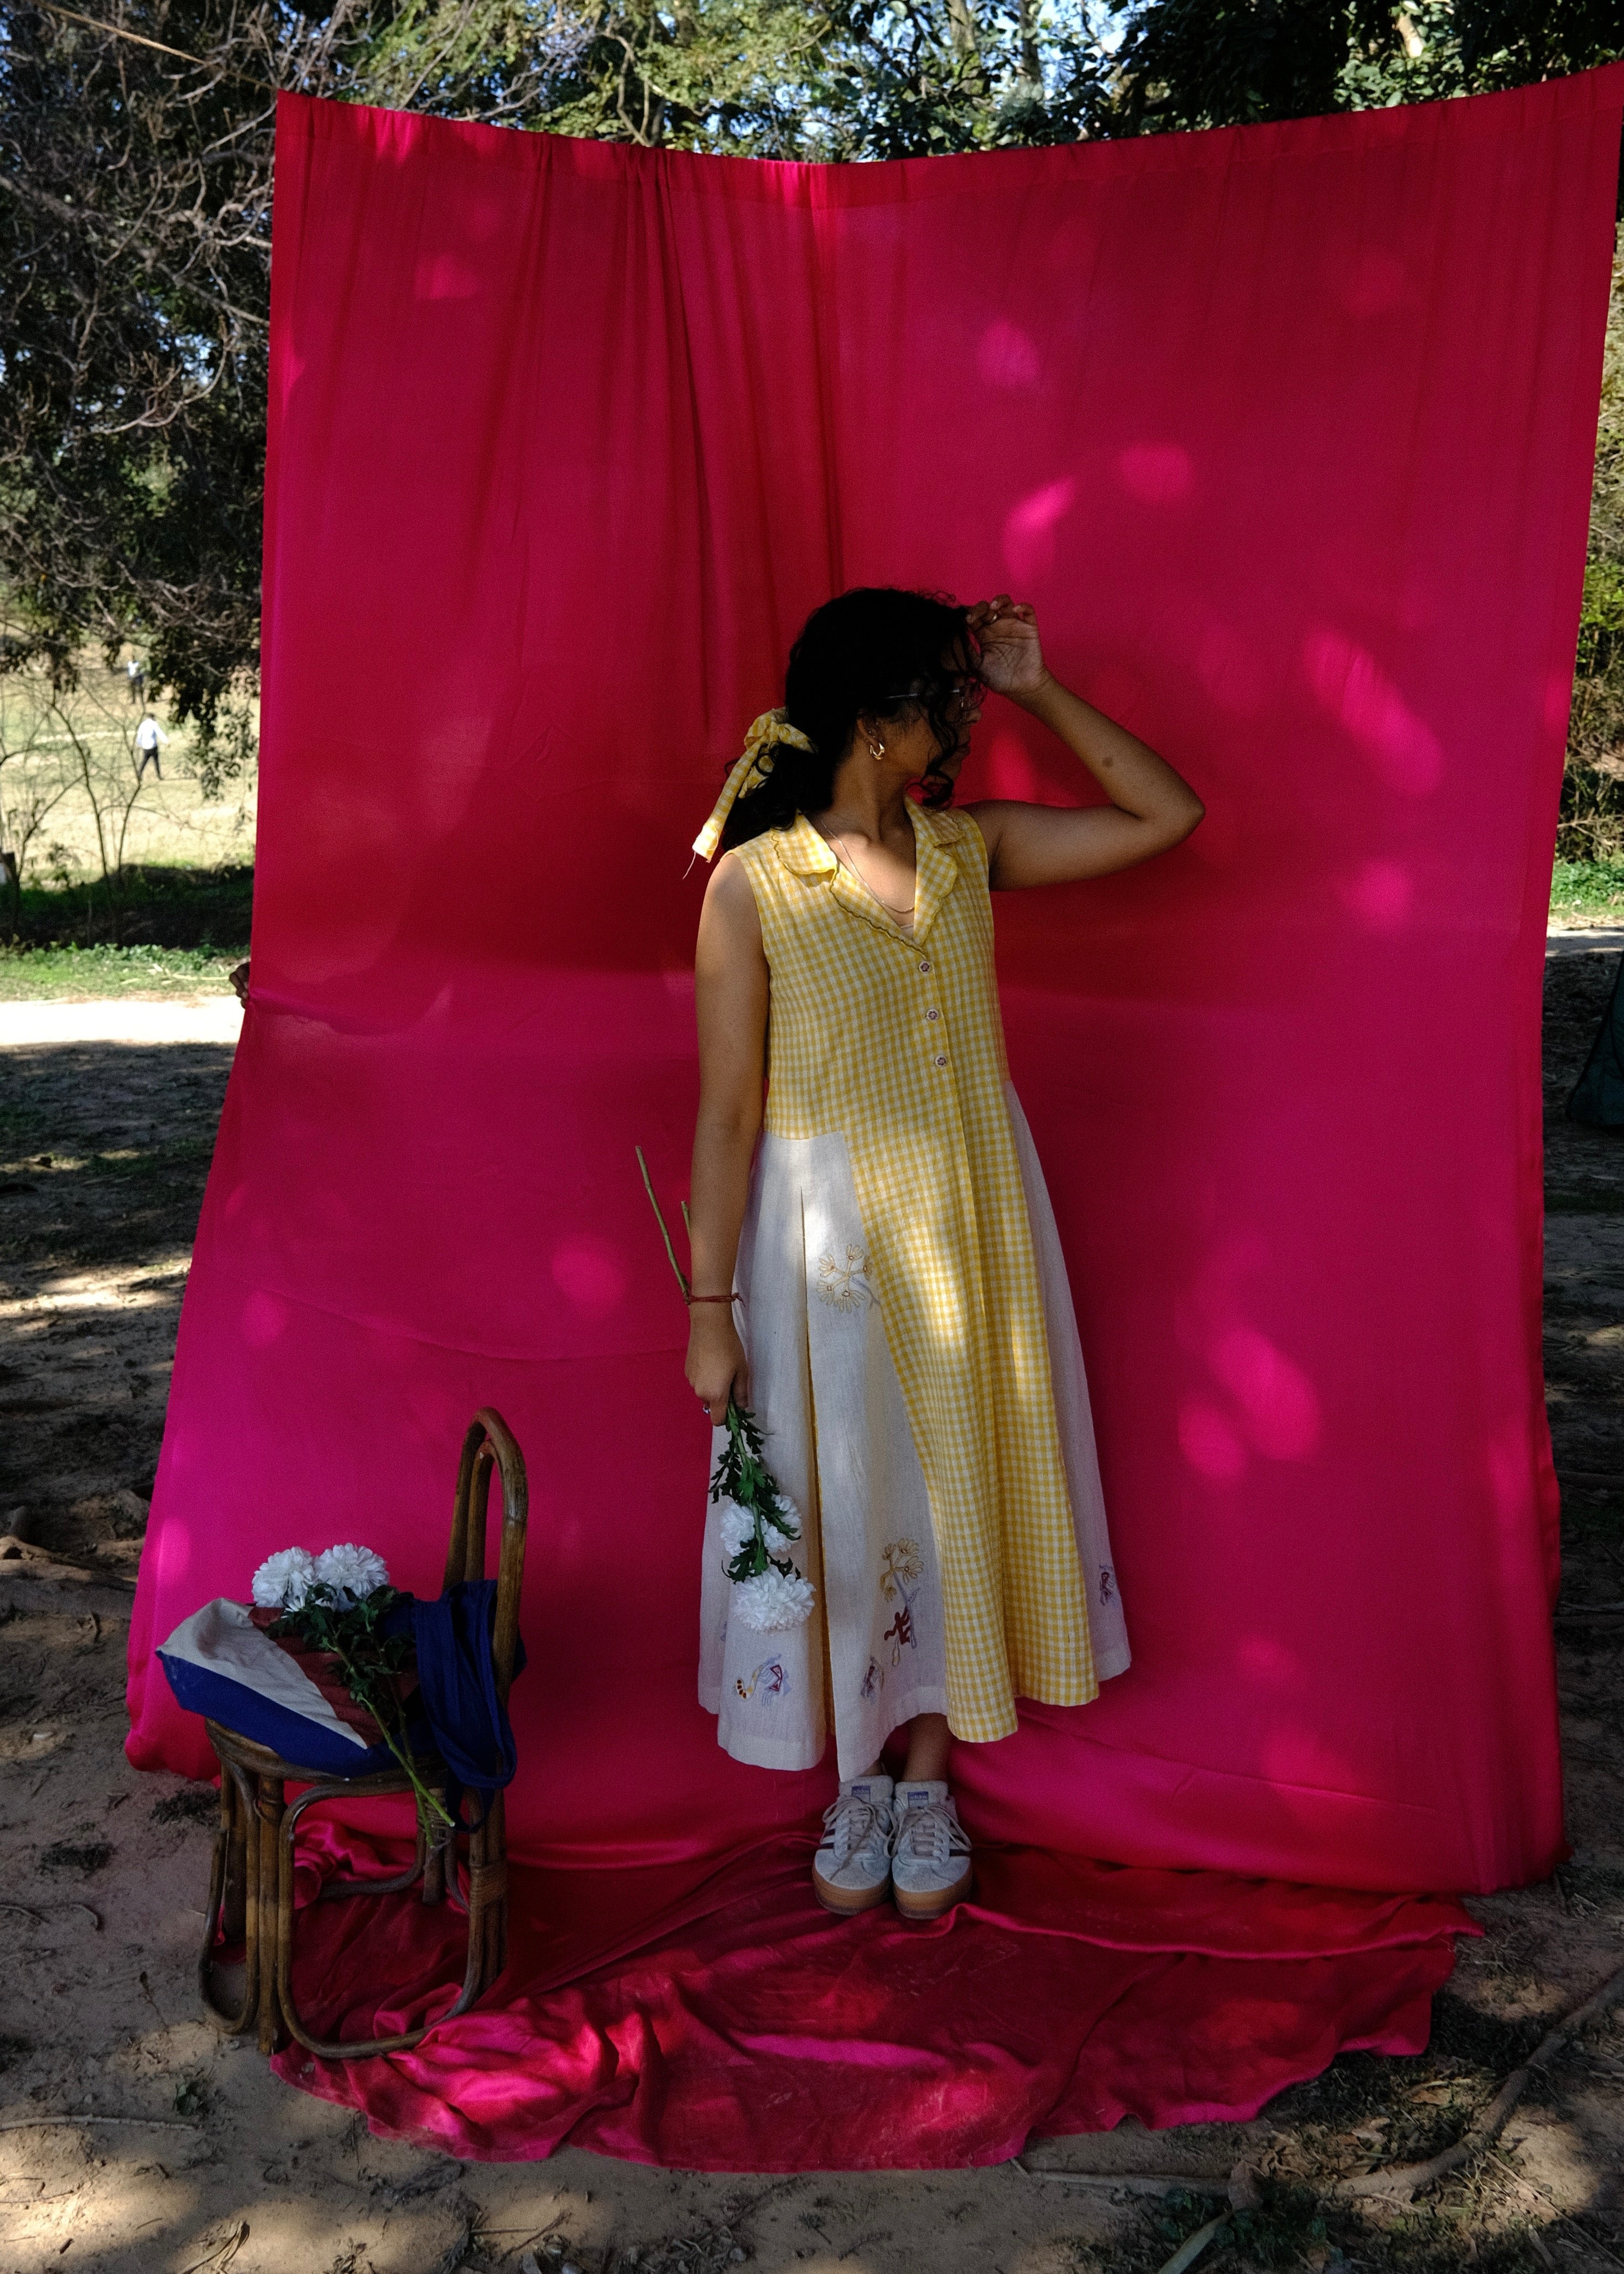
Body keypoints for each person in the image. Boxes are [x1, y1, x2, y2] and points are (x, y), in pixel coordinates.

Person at [686, 587, 1204, 1921]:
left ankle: (925, 1775)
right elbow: (727, 1111)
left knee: (950, 1476)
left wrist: (1039, 686)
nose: (963, 718)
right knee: (846, 1487)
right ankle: (853, 1774)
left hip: (976, 1220)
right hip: (829, 1248)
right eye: (949, 696)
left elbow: (1164, 815)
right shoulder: (754, 884)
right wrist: (708, 1306)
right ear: (876, 719)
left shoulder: (970, 850)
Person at [134, 711, 168, 781]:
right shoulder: (154, 724)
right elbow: (160, 733)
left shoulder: (143, 724)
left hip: (145, 747)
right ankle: (159, 776)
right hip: (153, 746)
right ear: (152, 717)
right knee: (156, 762)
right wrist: (166, 741)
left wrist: (138, 743)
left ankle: (139, 775)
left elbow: (139, 734)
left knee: (144, 761)